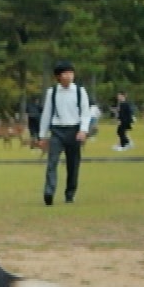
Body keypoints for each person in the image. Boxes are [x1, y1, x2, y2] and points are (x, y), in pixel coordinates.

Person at [39, 60, 94, 206]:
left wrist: (83, 130)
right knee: (52, 162)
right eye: (66, 73)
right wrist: (42, 135)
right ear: (58, 76)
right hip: (57, 130)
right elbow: (46, 114)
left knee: (73, 164)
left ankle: (70, 193)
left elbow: (85, 112)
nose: (69, 76)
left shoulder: (79, 91)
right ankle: (49, 192)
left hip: (74, 130)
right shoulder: (53, 92)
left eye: (71, 73)